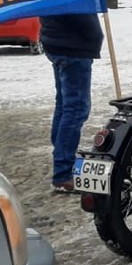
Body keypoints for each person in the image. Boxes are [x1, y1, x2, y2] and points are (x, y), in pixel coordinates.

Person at [41, 13, 104, 192]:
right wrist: (95, 38)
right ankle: (64, 171)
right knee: (76, 109)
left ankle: (63, 157)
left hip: (57, 42)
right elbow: (83, 17)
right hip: (73, 46)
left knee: (64, 106)